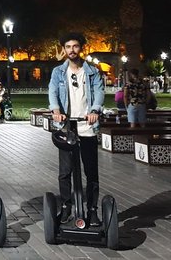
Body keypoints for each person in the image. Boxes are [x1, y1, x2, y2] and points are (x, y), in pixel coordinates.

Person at [49, 32, 104, 227]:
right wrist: (56, 110)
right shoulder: (58, 72)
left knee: (91, 172)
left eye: (75, 46)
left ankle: (92, 210)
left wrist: (95, 110)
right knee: (65, 172)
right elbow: (53, 92)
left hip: (86, 125)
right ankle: (66, 206)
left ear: (81, 48)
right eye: (68, 47)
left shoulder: (92, 72)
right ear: (64, 49)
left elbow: (99, 93)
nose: (72, 50)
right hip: (67, 126)